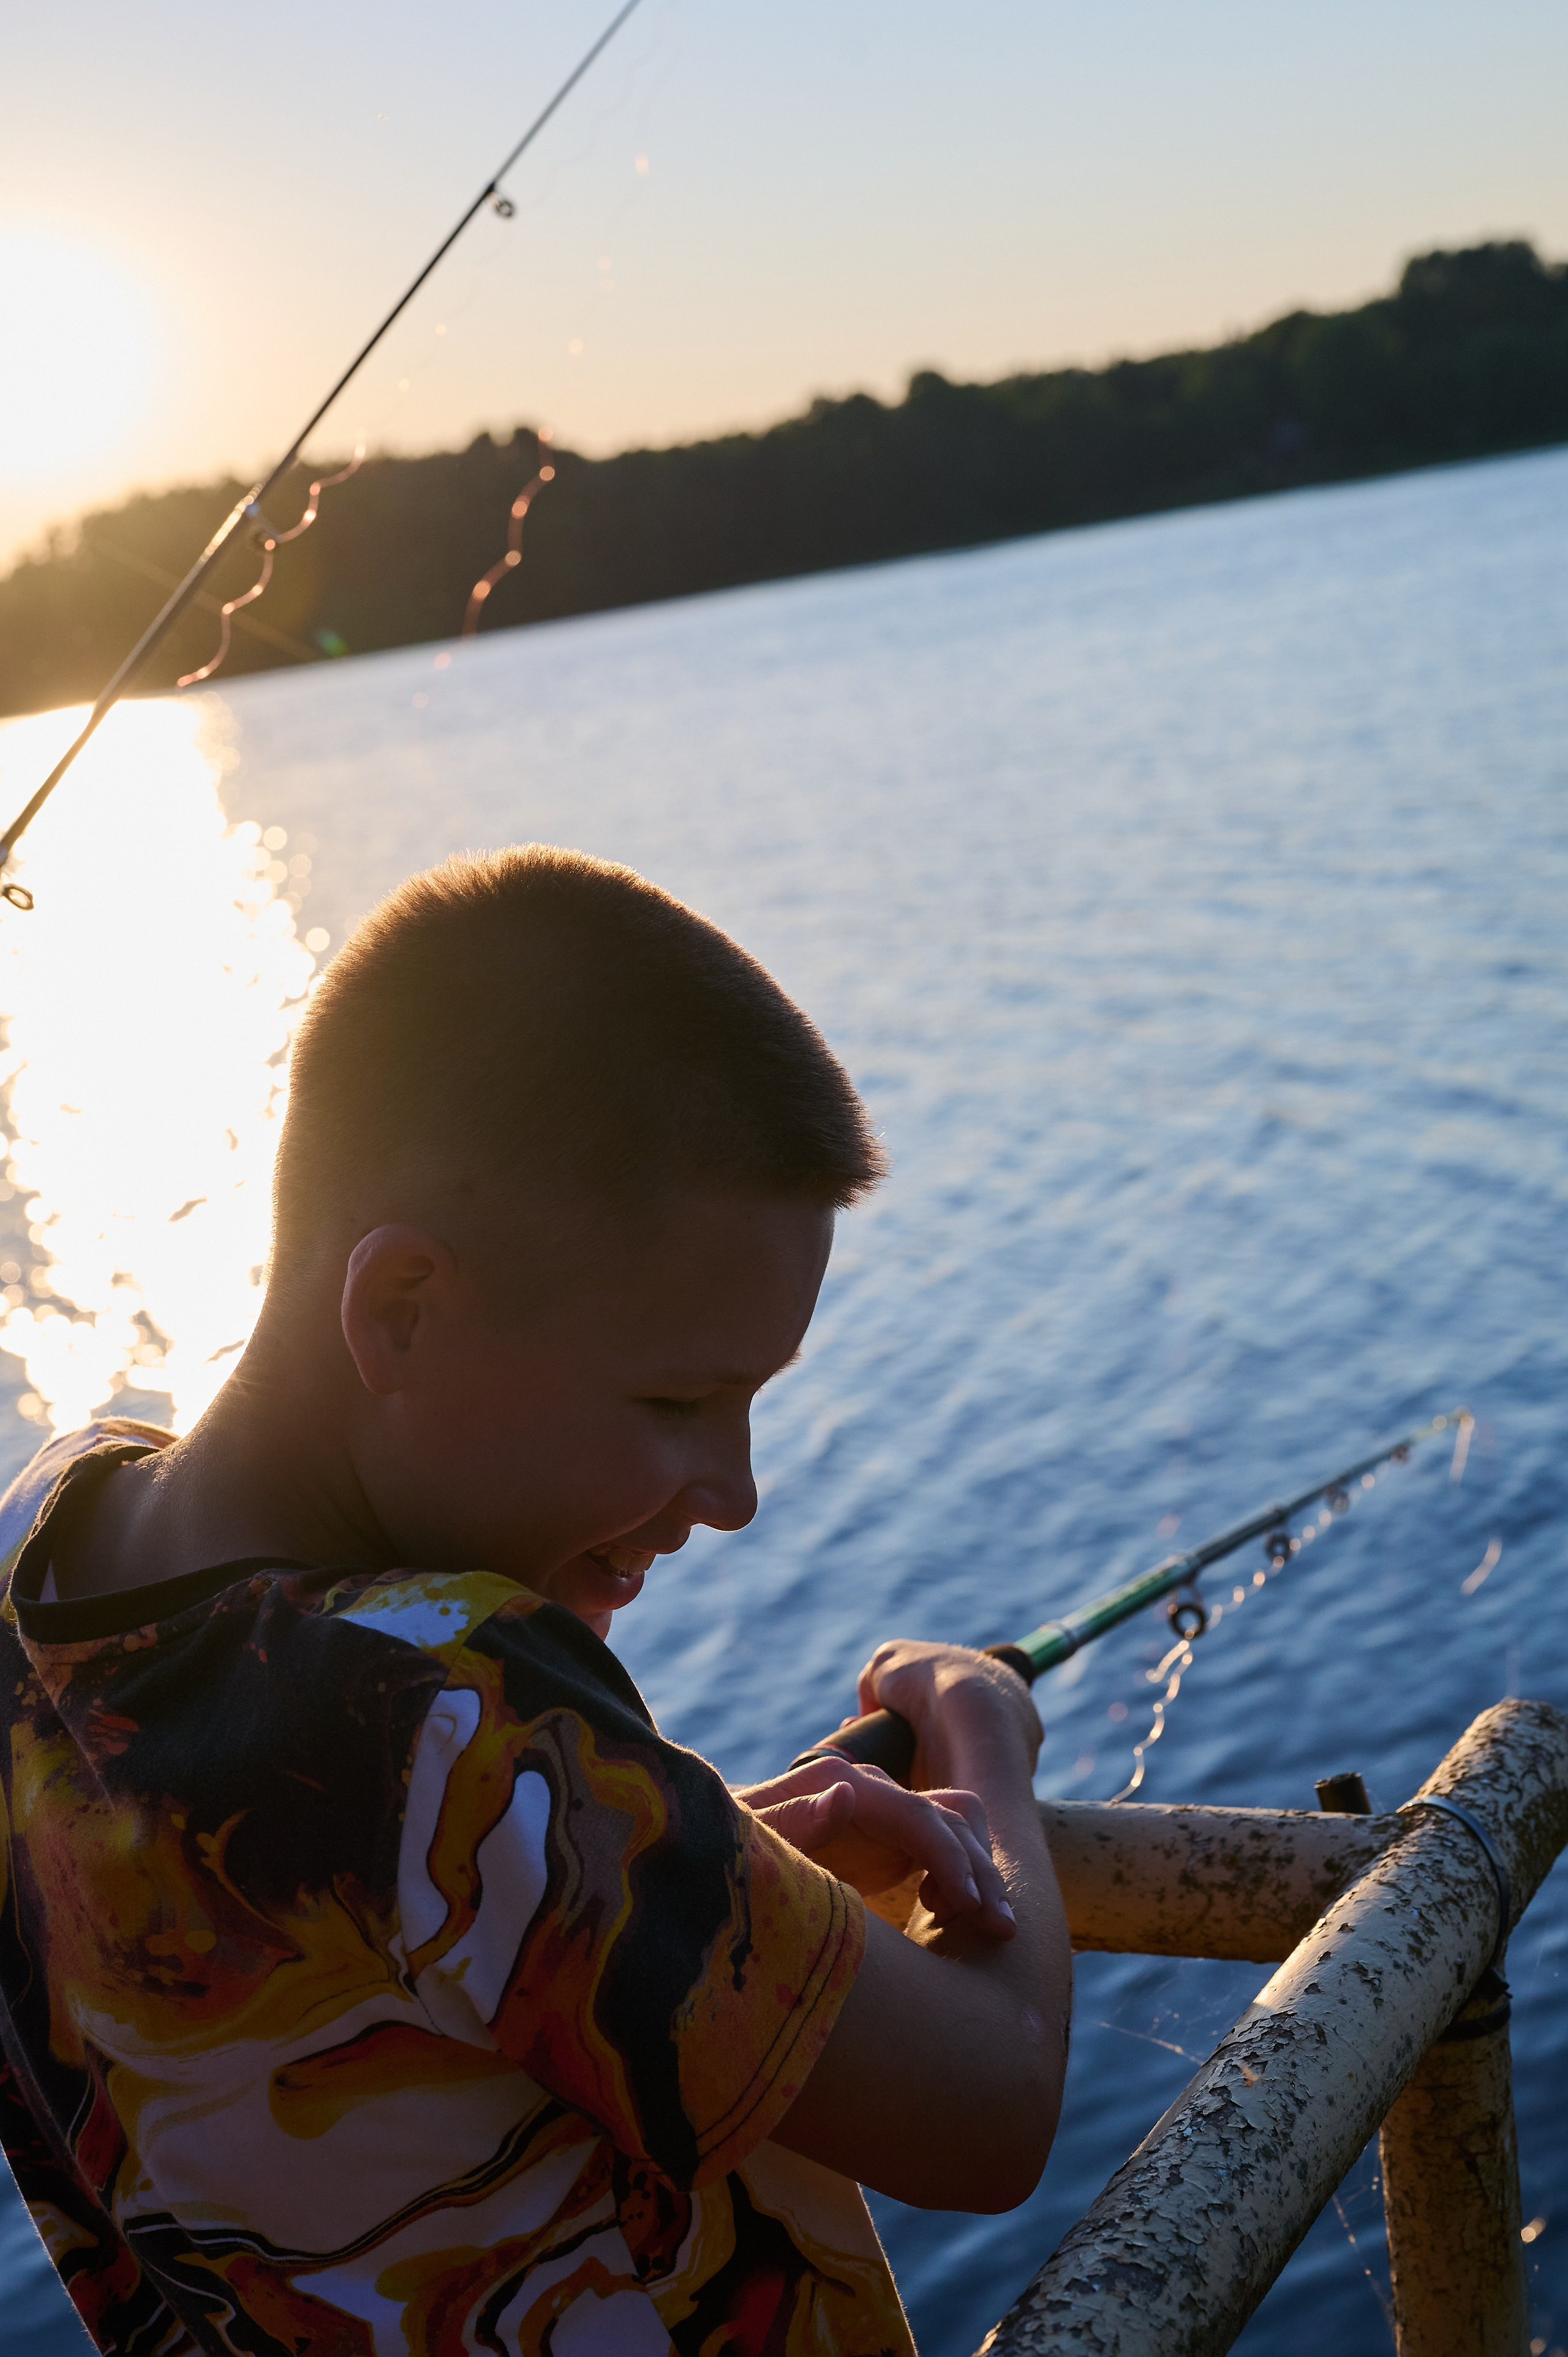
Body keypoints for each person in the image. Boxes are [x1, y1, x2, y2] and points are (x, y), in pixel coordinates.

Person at [0, 847, 1071, 2355]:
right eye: (680, 1398)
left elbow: (304, 1970)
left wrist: (698, 1864)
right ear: (402, 1309)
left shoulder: (39, 1557)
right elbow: (993, 2103)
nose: (735, 1489)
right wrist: (984, 1737)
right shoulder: (454, 1705)